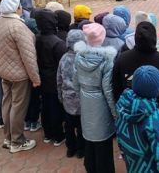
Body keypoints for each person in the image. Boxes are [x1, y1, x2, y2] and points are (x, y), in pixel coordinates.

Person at [0, 0, 40, 153]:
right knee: (18, 107)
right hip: (19, 74)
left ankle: (8, 138)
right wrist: (35, 78)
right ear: (16, 7)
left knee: (7, 103)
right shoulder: (18, 26)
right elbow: (29, 56)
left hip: (3, 70)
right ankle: (17, 141)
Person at [116, 65, 159, 173]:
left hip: (133, 165)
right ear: (158, 88)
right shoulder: (157, 121)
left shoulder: (123, 106)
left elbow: (120, 138)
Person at [73, 22, 117, 173]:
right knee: (103, 142)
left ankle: (90, 167)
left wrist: (81, 100)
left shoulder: (78, 56)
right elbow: (108, 89)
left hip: (86, 101)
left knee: (89, 138)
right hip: (101, 104)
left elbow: (75, 82)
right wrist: (114, 112)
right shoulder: (107, 60)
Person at [113, 21, 159, 114]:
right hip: (157, 114)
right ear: (154, 37)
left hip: (129, 112)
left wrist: (121, 109)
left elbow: (116, 88)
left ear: (135, 38)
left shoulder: (122, 59)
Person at [33, 9, 67, 146]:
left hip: (41, 76)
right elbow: (62, 64)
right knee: (55, 107)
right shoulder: (57, 43)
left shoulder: (36, 38)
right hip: (53, 79)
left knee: (46, 106)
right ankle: (58, 135)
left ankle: (48, 134)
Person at [57, 29, 86, 159]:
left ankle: (70, 148)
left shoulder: (63, 58)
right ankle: (81, 150)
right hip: (82, 99)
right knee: (81, 126)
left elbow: (59, 79)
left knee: (68, 126)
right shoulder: (84, 58)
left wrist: (60, 95)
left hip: (67, 98)